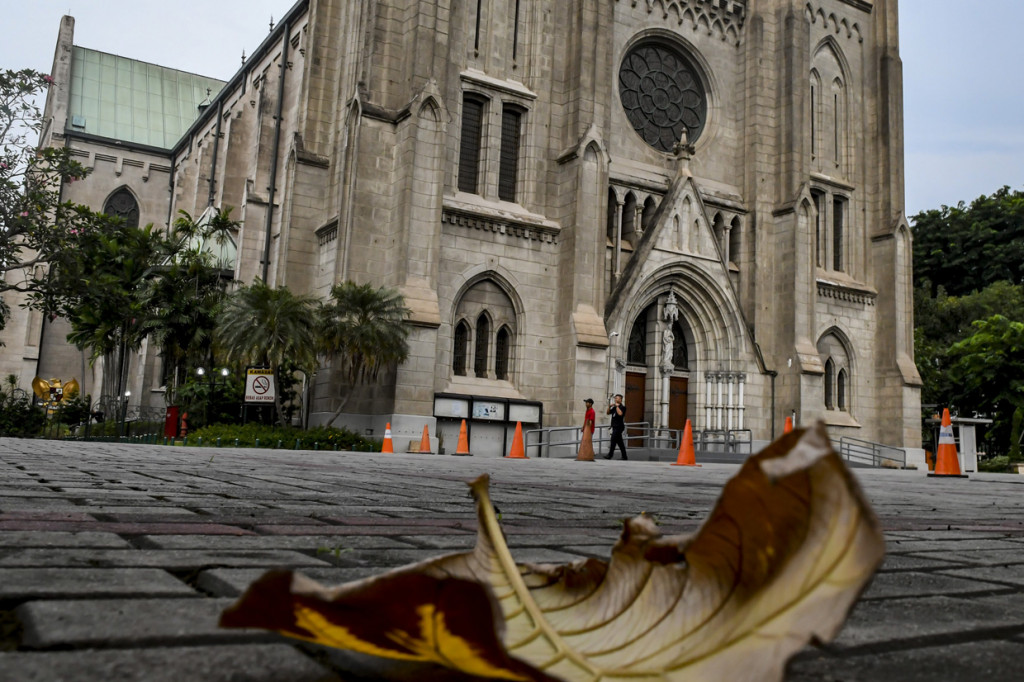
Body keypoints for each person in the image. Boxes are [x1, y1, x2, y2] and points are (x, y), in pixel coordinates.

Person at [605, 394, 628, 460]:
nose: (615, 399)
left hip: (619, 427)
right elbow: (608, 413)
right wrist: (609, 406)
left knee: (613, 440)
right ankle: (624, 456)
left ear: (620, 400)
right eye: (615, 398)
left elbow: (620, 414)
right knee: (620, 442)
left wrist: (617, 407)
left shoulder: (623, 407)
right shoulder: (614, 408)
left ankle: (610, 455)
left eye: (617, 398)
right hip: (614, 426)